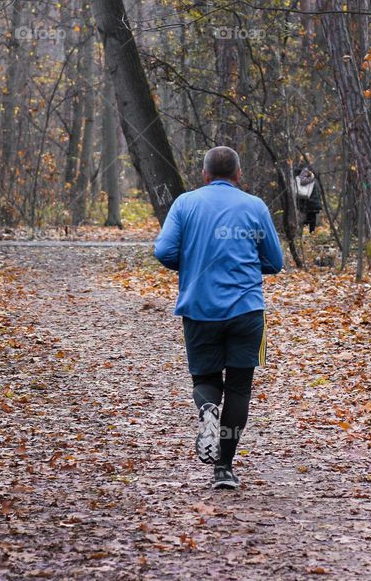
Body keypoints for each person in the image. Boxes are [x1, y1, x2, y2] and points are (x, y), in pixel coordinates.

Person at [154, 146, 284, 490]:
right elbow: (275, 260)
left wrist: (193, 263)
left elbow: (163, 251)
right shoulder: (255, 206)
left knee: (206, 379)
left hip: (200, 309)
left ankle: (207, 409)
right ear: (239, 176)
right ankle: (224, 469)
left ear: (205, 175)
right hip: (246, 311)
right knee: (240, 387)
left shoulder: (185, 203)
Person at [294, 165, 322, 233]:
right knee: (310, 218)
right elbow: (303, 182)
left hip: (308, 201)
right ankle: (310, 233)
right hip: (310, 201)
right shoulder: (309, 174)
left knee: (308, 217)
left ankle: (306, 233)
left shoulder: (300, 174)